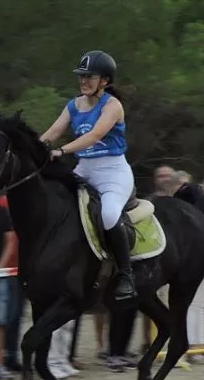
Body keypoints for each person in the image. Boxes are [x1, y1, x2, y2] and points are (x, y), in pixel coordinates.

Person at [39, 50, 137, 302]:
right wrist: (31, 149)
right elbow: (52, 133)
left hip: (113, 171)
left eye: (89, 77)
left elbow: (94, 136)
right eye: (81, 76)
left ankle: (126, 275)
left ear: (105, 80)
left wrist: (61, 150)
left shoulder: (113, 106)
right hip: (85, 168)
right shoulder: (73, 105)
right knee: (57, 205)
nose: (83, 81)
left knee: (108, 214)